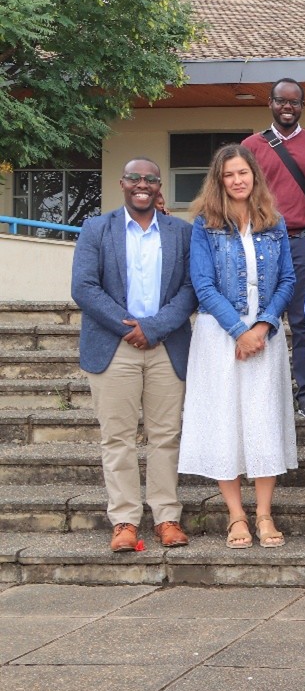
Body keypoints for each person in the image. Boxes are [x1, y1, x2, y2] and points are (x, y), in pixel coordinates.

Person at [72, 159, 196, 552]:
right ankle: (124, 520)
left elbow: (192, 288)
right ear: (122, 183)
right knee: (118, 438)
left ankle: (166, 518)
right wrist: (131, 329)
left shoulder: (182, 233)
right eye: (134, 178)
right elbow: (85, 287)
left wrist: (154, 328)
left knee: (166, 436)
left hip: (166, 346)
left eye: (150, 179)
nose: (142, 184)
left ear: (159, 187)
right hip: (114, 347)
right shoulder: (96, 228)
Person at [179, 144, 297, 548]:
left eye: (243, 173)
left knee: (263, 421)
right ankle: (237, 517)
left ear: (254, 176)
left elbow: (287, 280)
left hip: (265, 335)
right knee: (225, 421)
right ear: (219, 180)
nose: (237, 180)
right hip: (218, 335)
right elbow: (203, 284)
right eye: (229, 174)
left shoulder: (274, 221)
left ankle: (264, 514)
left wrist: (262, 326)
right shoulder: (205, 225)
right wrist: (238, 330)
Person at [242, 77, 305, 420]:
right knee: (259, 316)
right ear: (270, 103)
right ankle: (261, 393)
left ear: (302, 106)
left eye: (294, 102)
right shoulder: (251, 145)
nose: (287, 107)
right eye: (281, 101)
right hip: (261, 241)